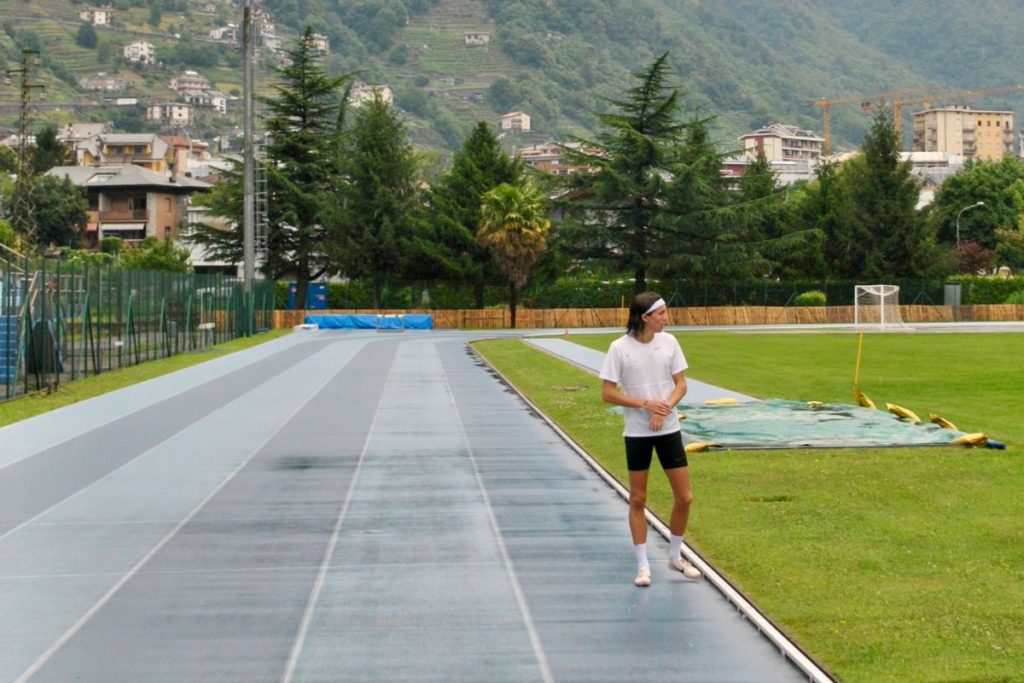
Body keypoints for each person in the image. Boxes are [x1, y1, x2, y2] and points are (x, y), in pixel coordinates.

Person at [600, 292, 702, 587]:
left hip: (669, 429)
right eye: (661, 314)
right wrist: (645, 404)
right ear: (645, 317)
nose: (666, 319)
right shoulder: (619, 348)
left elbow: (681, 384)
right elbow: (607, 392)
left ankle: (675, 556)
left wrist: (665, 407)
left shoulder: (669, 343)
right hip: (637, 433)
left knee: (685, 497)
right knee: (638, 498)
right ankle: (643, 566)